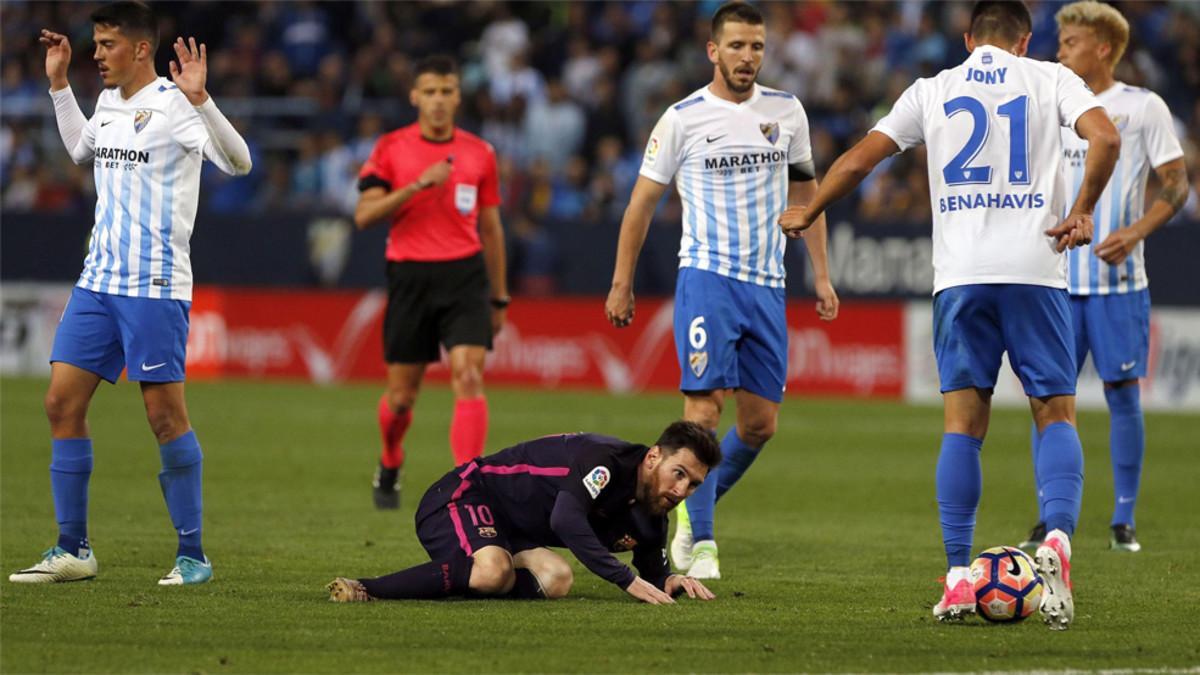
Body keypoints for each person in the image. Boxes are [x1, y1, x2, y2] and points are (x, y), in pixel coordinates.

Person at [779, 0, 1119, 629]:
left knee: (962, 427)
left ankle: (960, 578)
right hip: (1035, 269)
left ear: (967, 40)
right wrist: (1083, 209)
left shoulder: (931, 89)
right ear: (1024, 41)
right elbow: (1107, 137)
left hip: (961, 277)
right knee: (1054, 413)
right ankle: (1057, 542)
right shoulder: (1051, 78)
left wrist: (811, 209)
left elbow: (859, 159)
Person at [10, 1, 252, 585]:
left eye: (107, 44)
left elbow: (240, 162)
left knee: (164, 417)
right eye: (95, 44)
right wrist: (60, 86)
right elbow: (80, 150)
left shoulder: (175, 105)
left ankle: (192, 556)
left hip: (154, 286)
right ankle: (73, 549)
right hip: (98, 282)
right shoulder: (108, 101)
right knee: (60, 404)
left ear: (141, 49)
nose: (96, 54)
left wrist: (203, 99)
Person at [604, 1, 838, 581]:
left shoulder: (786, 110)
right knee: (703, 412)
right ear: (713, 51)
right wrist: (621, 283)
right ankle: (703, 541)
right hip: (707, 278)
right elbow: (641, 204)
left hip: (767, 285)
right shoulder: (682, 118)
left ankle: (686, 509)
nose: (747, 56)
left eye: (756, 46)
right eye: (736, 45)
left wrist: (822, 274)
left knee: (759, 425)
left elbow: (807, 197)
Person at [1018, 0, 1188, 554]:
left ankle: (1123, 519)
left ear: (1104, 48)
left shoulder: (1142, 107)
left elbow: (1176, 184)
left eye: (1071, 43)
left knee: (1122, 395)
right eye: (1060, 42)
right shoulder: (1050, 101)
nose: (1060, 52)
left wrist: (1135, 232)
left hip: (1118, 285)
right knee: (1048, 398)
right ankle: (1050, 515)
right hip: (1055, 282)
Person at [326, 421, 721, 604]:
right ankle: (367, 587)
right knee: (493, 571)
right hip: (462, 495)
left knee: (557, 577)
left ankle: (469, 582)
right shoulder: (606, 461)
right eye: (679, 473)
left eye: (693, 484)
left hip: (508, 528)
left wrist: (670, 580)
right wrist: (623, 578)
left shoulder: (653, 512)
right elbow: (566, 519)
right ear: (653, 457)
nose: (681, 490)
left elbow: (652, 573)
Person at [354, 55, 509, 510]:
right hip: (411, 276)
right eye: (430, 92)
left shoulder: (480, 152)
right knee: (402, 397)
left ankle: (468, 485)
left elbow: (492, 228)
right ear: (414, 96)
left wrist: (500, 296)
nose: (438, 100)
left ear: (458, 97)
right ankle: (390, 457)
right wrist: (418, 185)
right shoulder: (391, 147)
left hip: (465, 275)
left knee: (468, 375)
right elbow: (364, 215)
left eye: (446, 91)